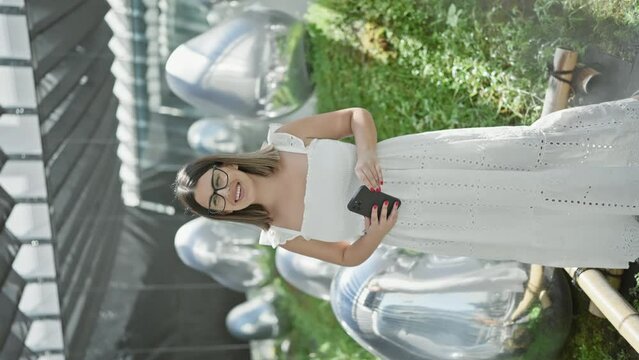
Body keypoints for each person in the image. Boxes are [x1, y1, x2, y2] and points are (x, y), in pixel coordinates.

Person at [174, 95, 639, 269]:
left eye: (217, 181)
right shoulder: (281, 235)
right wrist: (374, 235)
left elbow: (355, 116)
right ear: (226, 214)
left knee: (520, 153)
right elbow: (345, 256)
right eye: (216, 203)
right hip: (417, 218)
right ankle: (615, 214)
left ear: (227, 165)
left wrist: (367, 153)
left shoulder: (286, 142)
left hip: (419, 162)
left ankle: (620, 161)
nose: (224, 192)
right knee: (518, 214)